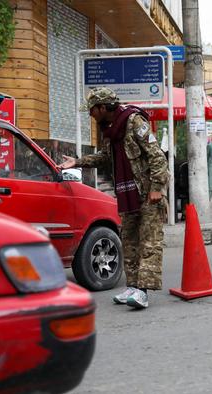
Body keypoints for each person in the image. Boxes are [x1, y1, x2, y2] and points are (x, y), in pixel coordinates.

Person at [58, 87, 168, 309]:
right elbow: (106, 157)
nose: (91, 114)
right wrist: (77, 162)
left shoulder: (134, 121)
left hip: (148, 193)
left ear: (102, 107)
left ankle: (143, 292)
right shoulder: (110, 130)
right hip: (127, 194)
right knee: (129, 240)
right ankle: (133, 286)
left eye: (92, 110)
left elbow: (157, 156)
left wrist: (157, 186)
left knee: (149, 241)